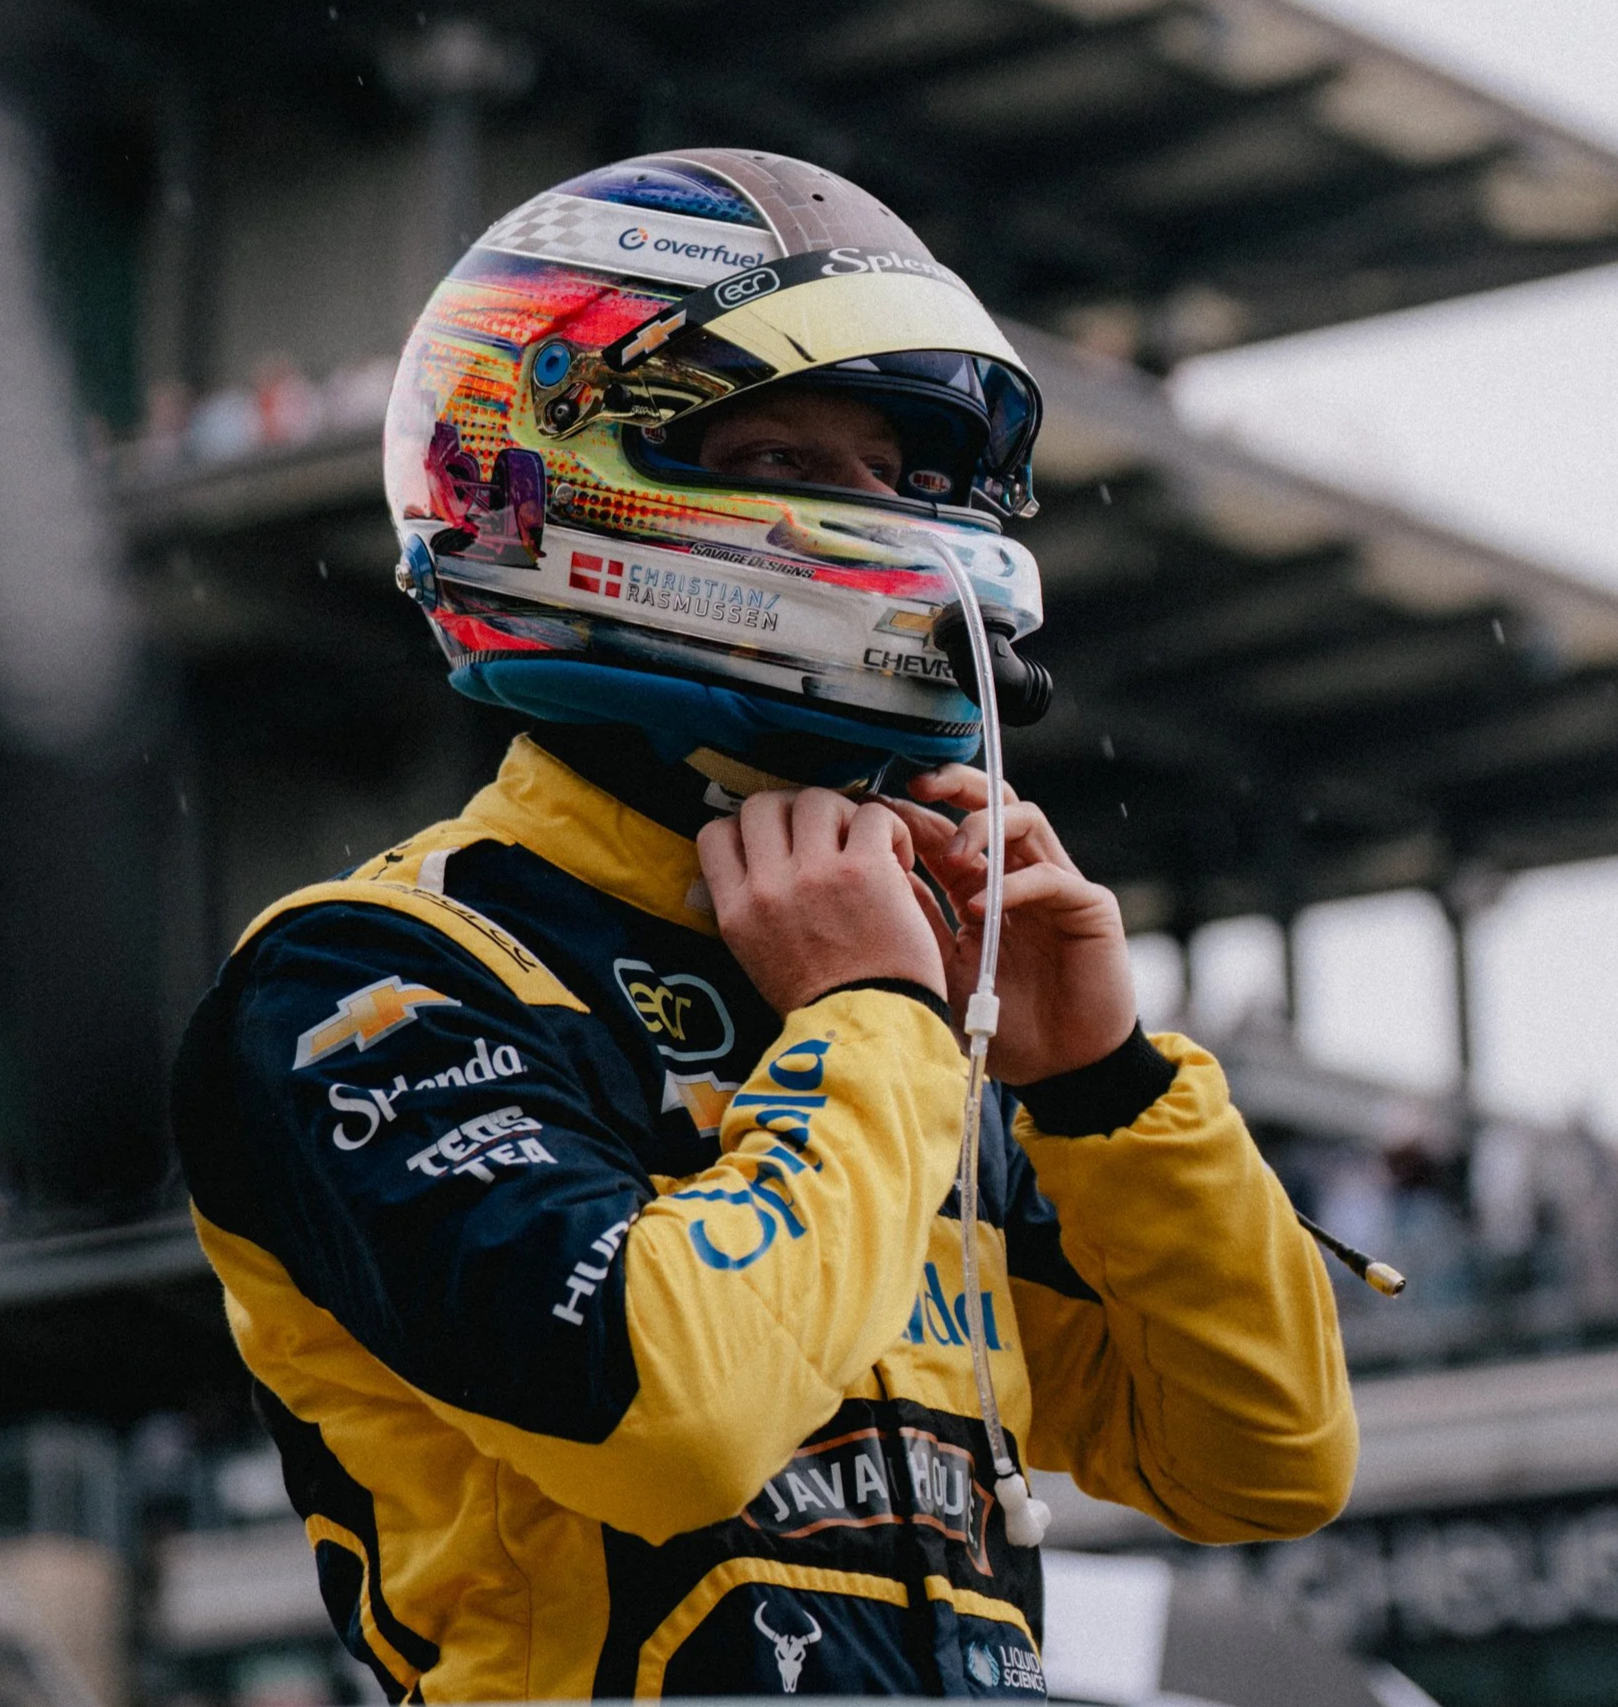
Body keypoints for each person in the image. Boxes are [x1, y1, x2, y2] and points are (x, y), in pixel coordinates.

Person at [172, 149, 1357, 1701]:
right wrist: (868, 1015)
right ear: (553, 478)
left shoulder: (933, 1005)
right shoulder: (367, 979)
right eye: (788, 454)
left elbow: (1260, 1454)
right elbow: (667, 1418)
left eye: (908, 475)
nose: (893, 524)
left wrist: (1104, 1084)